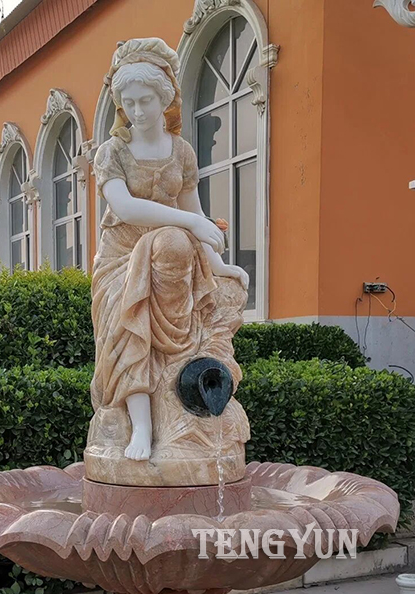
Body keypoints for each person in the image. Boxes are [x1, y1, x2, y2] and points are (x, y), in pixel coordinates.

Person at [91, 38, 248, 462]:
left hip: (171, 257)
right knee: (131, 324)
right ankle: (140, 424)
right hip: (122, 257)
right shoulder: (112, 152)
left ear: (164, 100)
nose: (137, 111)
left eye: (145, 101)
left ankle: (180, 406)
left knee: (175, 242)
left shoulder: (182, 151)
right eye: (128, 103)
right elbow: (123, 207)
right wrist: (192, 224)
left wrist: (218, 263)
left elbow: (191, 211)